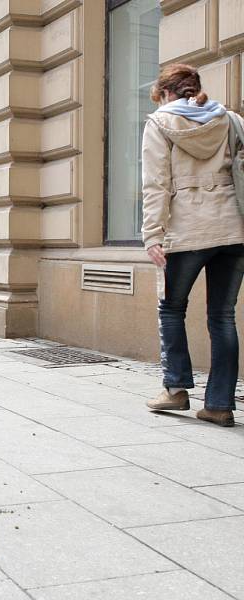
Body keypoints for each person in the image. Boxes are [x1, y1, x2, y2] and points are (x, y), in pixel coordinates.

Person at [142, 63, 244, 428]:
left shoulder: (159, 123)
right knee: (223, 316)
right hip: (234, 230)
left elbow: (156, 183)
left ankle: (176, 390)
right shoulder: (230, 120)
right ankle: (219, 405)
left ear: (167, 93)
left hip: (187, 231)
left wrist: (152, 234)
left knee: (171, 309)